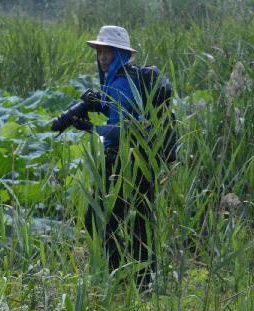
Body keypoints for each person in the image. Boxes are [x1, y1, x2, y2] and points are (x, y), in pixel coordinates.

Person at [62, 25, 175, 287]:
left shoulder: (122, 82)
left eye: (108, 51)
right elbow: (125, 113)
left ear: (121, 54)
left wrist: (89, 127)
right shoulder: (126, 78)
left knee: (98, 219)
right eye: (100, 51)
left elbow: (119, 130)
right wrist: (99, 103)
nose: (102, 57)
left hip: (124, 161)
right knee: (140, 222)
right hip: (143, 158)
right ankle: (143, 281)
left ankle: (120, 275)